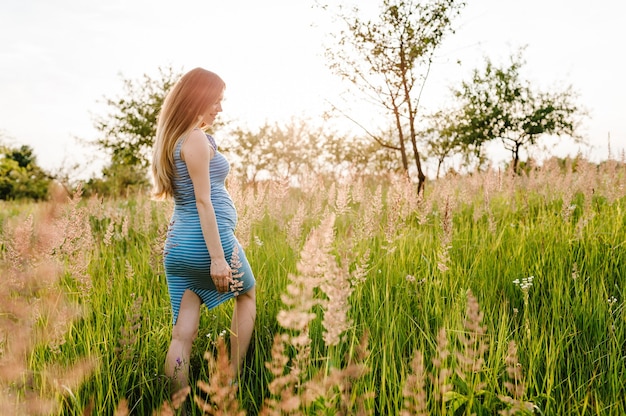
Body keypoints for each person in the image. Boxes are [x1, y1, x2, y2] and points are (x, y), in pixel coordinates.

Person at [151, 67, 256, 395]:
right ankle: (230, 381)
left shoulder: (171, 140)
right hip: (208, 243)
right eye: (215, 101)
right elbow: (202, 201)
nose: (219, 109)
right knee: (247, 296)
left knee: (183, 334)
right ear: (198, 98)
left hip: (178, 245)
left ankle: (177, 403)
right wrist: (217, 259)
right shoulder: (194, 138)